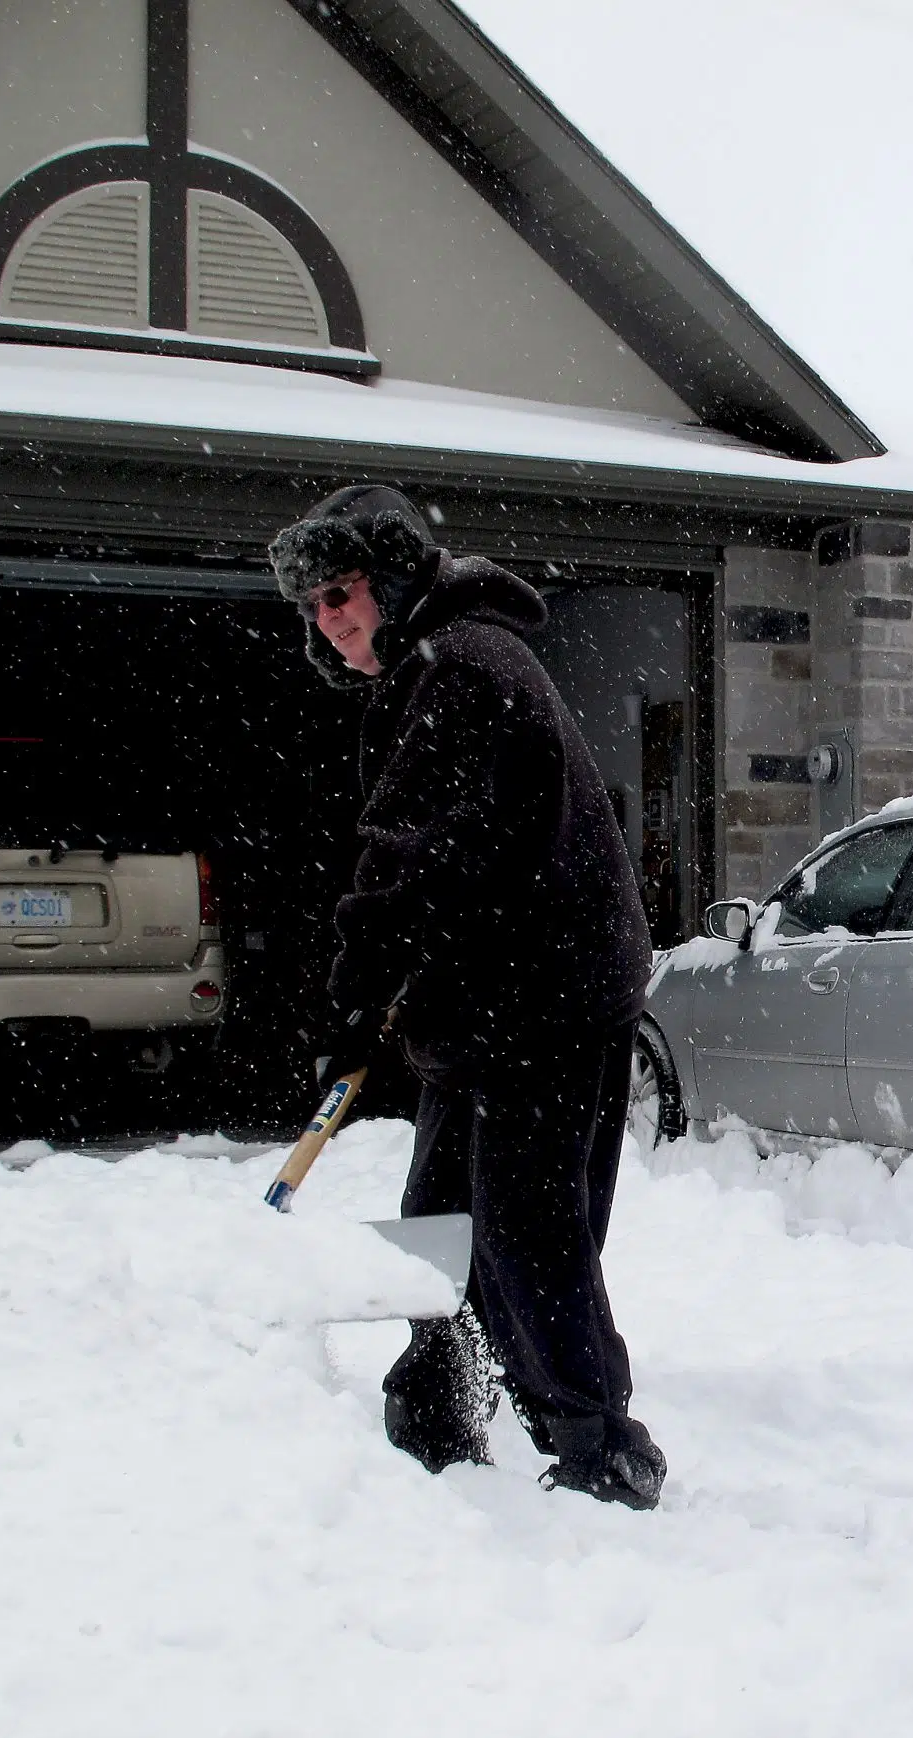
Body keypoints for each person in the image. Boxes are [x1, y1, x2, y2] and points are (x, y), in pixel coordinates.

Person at [268, 484, 665, 1510]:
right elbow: (443, 866)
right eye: (312, 604)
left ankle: (599, 1446)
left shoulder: (462, 670)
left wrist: (354, 1006)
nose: (330, 619)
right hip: (496, 1000)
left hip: (542, 1001)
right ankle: (437, 1411)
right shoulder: (439, 666)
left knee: (525, 1227)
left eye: (342, 591)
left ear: (393, 577)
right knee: (443, 1217)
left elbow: (407, 861)